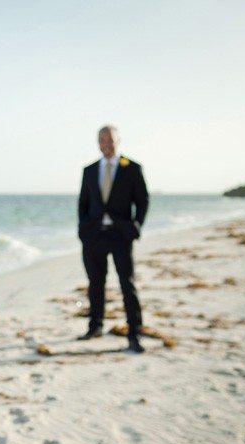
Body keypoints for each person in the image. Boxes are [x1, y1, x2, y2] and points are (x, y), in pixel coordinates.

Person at [76, 125, 149, 353]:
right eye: (102, 141)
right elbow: (83, 203)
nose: (106, 145)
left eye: (110, 141)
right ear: (98, 142)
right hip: (94, 235)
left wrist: (136, 226)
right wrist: (83, 229)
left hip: (121, 235)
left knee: (127, 284)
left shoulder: (132, 168)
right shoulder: (89, 170)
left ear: (119, 141)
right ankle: (95, 326)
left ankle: (134, 333)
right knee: (95, 283)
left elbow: (143, 201)